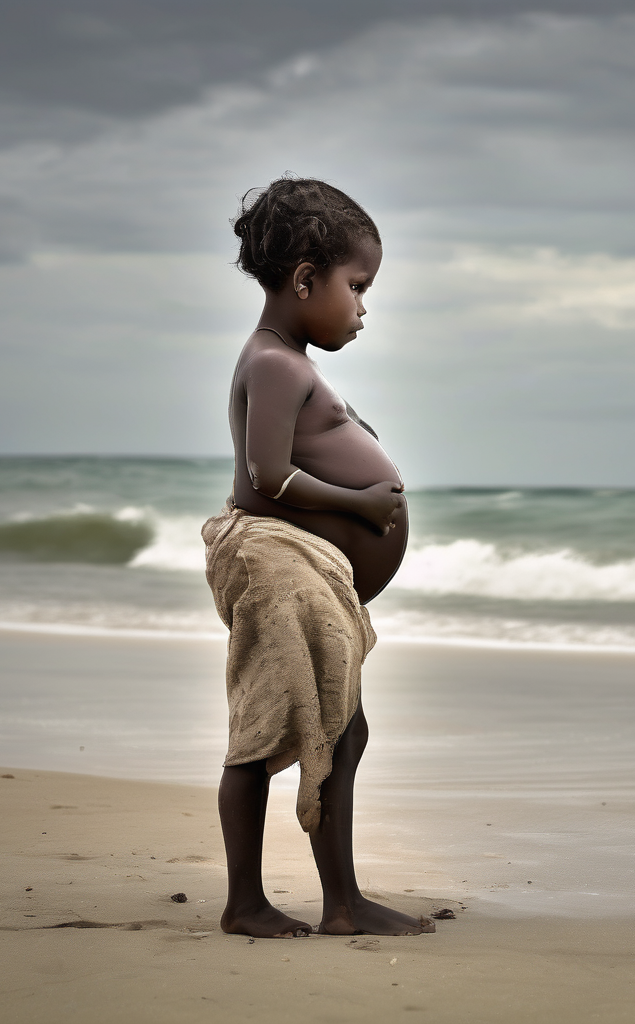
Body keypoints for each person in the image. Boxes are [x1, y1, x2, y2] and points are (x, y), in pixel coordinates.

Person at [201, 177, 432, 938]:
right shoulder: (275, 364)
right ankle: (252, 904)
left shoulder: (289, 361)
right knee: (266, 731)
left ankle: (340, 900)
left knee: (343, 729)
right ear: (306, 279)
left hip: (309, 571)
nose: (364, 307)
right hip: (279, 568)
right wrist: (363, 503)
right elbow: (266, 476)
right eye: (357, 287)